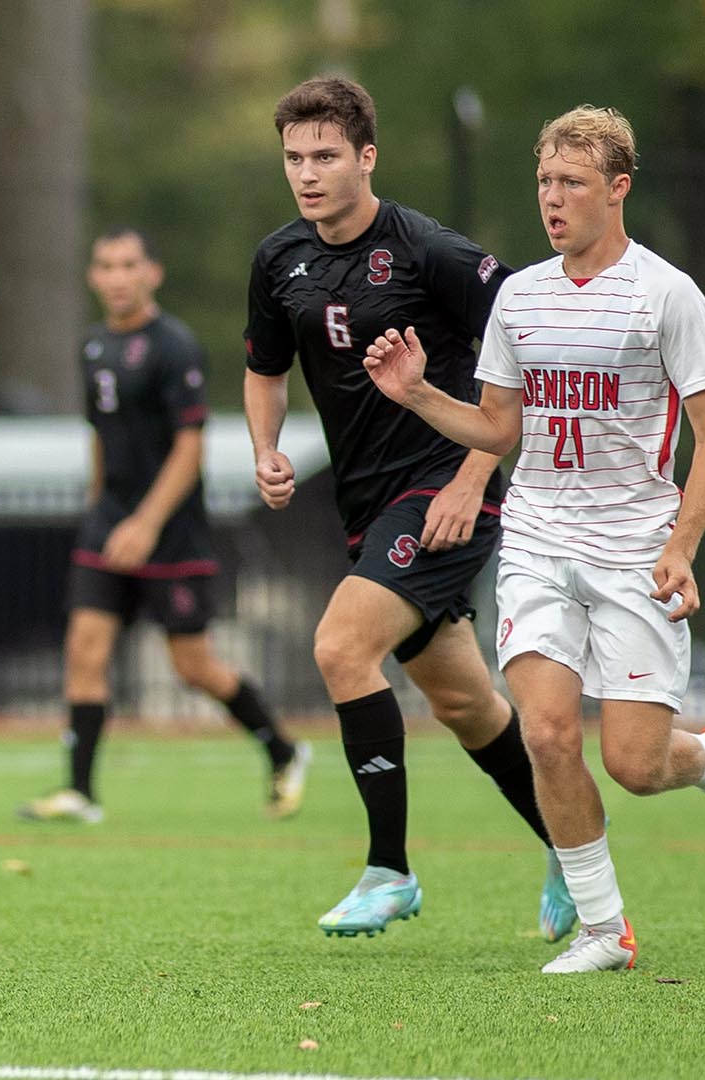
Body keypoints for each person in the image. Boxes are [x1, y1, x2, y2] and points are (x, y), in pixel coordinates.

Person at [361, 105, 705, 973]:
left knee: (633, 763)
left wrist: (681, 547)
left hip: (633, 550)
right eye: (545, 181)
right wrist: (416, 396)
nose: (554, 199)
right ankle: (603, 930)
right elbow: (497, 430)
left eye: (573, 183)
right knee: (547, 736)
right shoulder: (520, 295)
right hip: (540, 539)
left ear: (617, 190)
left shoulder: (667, 295)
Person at [243, 76, 573, 939]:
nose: (307, 173)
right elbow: (263, 370)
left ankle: (389, 870)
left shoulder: (429, 251)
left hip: (444, 491)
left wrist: (474, 477)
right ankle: (576, 846)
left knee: (340, 646)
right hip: (366, 504)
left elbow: (528, 353)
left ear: (366, 157)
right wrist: (266, 449)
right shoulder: (281, 260)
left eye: (324, 156)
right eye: (294, 158)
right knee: (467, 706)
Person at [19, 227, 309, 825]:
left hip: (170, 533)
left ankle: (284, 749)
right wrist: (99, 512)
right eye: (105, 265)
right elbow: (99, 438)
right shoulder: (92, 347)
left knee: (193, 666)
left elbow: (189, 446)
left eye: (129, 264)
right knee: (84, 649)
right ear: (93, 277)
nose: (117, 276)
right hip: (109, 526)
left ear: (153, 273)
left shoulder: (174, 346)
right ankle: (80, 792)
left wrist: (147, 523)